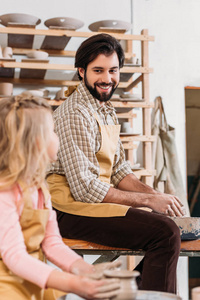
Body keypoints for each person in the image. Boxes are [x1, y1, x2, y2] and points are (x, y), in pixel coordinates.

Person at [47, 33, 185, 294]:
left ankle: (122, 294)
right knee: (164, 234)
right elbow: (85, 189)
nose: (107, 79)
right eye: (98, 70)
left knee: (165, 229)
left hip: (88, 201)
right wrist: (146, 202)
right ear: (81, 71)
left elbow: (120, 170)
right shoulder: (75, 113)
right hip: (65, 209)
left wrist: (156, 196)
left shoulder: (105, 109)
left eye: (113, 70)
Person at [0, 95, 121, 300]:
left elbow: (52, 243)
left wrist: (88, 271)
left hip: (33, 279)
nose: (58, 137)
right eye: (53, 132)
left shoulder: (39, 187)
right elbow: (15, 256)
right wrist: (74, 284)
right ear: (37, 142)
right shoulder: (5, 192)